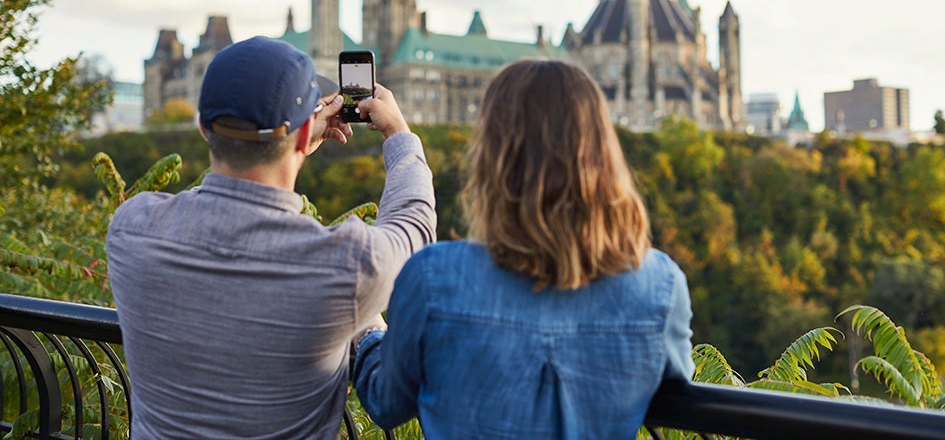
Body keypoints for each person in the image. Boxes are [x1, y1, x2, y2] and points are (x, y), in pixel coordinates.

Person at [106, 36, 436, 439]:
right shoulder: (344, 264)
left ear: (203, 128)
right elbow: (414, 226)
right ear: (301, 137)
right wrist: (399, 135)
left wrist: (288, 146)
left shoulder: (131, 229)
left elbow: (214, 205)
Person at [352, 59, 694, 439]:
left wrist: (366, 327)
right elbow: (676, 380)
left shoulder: (435, 277)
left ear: (492, 159)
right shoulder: (660, 286)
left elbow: (385, 402)